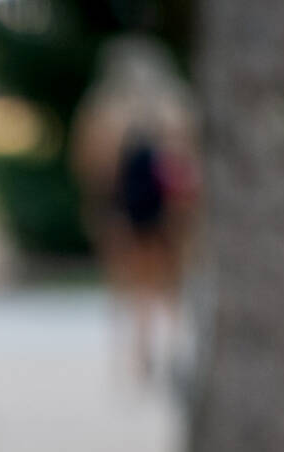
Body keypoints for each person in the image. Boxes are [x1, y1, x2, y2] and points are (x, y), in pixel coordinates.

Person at [69, 35, 200, 385]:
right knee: (169, 280)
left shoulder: (106, 109)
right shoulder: (175, 104)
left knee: (131, 281)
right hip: (170, 208)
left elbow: (94, 167)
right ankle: (170, 349)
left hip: (129, 207)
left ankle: (140, 352)